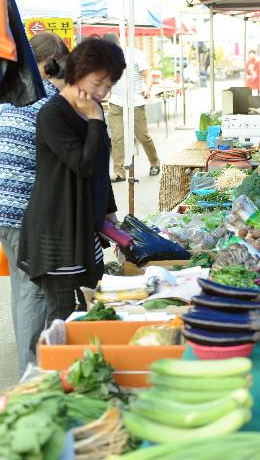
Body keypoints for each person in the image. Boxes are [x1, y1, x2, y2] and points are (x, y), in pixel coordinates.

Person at [18, 37, 125, 322]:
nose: (102, 92)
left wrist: (109, 211)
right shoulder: (52, 114)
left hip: (85, 227)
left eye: (108, 86)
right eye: (97, 83)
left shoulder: (93, 109)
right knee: (62, 314)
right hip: (58, 228)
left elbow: (101, 164)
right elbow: (83, 164)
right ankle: (56, 365)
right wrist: (94, 120)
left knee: (96, 307)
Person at [0, 31, 68, 373]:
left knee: (22, 286)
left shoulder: (20, 98)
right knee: (35, 288)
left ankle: (29, 360)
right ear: (51, 65)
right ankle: (31, 369)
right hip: (20, 208)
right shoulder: (48, 101)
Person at [104, 32, 160, 179]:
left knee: (142, 135)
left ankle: (154, 162)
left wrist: (147, 88)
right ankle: (119, 172)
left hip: (135, 101)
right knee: (117, 138)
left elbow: (147, 74)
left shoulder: (135, 54)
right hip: (116, 102)